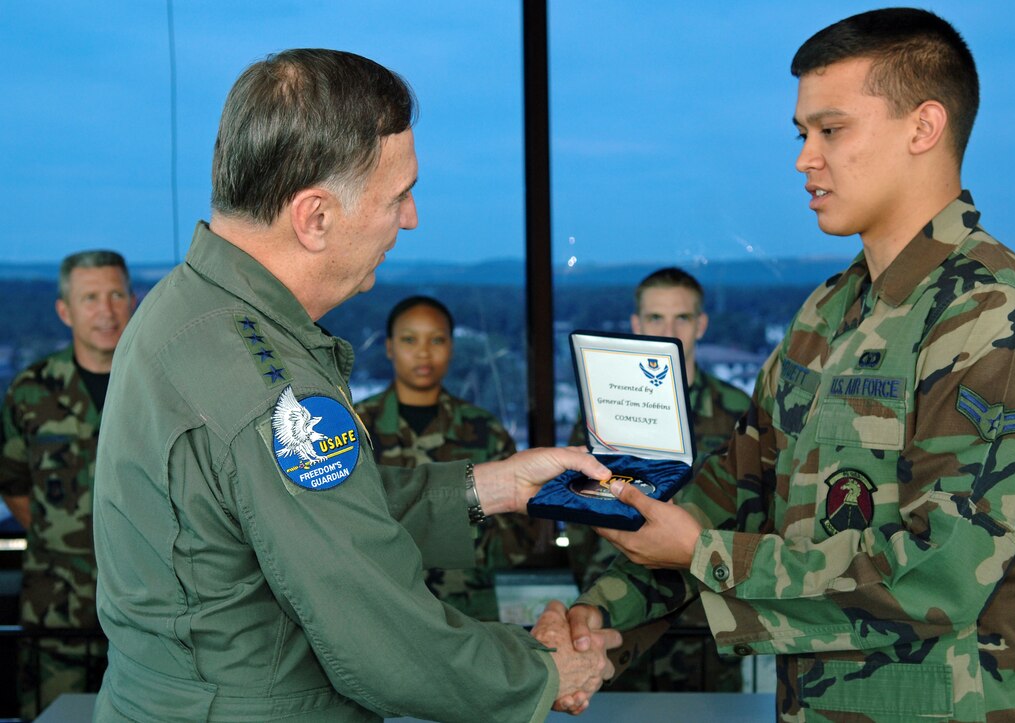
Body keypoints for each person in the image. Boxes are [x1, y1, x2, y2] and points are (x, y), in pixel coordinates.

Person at [563, 9, 1015, 721]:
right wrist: (599, 621)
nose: (806, 158)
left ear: (923, 128)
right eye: (803, 134)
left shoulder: (1002, 321)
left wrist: (706, 553)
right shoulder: (826, 314)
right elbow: (730, 493)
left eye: (830, 130)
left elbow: (941, 575)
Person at [91, 49, 619, 722]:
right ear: (314, 217)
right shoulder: (269, 390)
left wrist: (494, 486)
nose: (411, 219)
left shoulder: (185, 308)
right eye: (397, 196)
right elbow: (389, 644)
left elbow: (288, 520)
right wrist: (546, 670)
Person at [566, 267, 750, 691]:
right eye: (655, 319)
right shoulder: (606, 412)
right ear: (636, 325)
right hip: (620, 612)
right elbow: (579, 508)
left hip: (708, 619)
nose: (668, 330)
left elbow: (753, 508)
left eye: (681, 318)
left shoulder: (738, 410)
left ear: (701, 324)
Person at [356, 295, 559, 621]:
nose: (423, 353)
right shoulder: (356, 429)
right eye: (409, 340)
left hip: (467, 617)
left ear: (451, 348)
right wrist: (460, 520)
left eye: (436, 340)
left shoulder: (484, 430)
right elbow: (343, 523)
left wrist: (415, 531)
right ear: (390, 347)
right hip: (380, 615)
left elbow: (525, 534)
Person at [0, 250, 134, 718]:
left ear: (133, 302)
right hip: (57, 612)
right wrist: (62, 537)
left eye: (116, 294)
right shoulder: (31, 391)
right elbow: (13, 482)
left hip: (147, 610)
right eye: (90, 297)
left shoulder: (161, 386)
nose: (106, 310)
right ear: (65, 311)